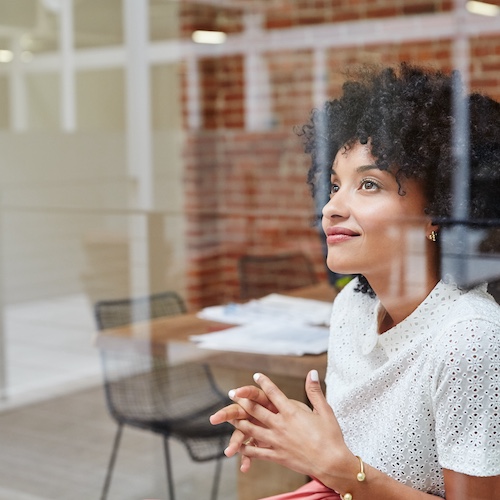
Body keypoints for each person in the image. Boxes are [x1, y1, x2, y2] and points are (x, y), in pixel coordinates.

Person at [209, 63, 500, 500]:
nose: (332, 208)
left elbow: (348, 473)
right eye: (333, 185)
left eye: (368, 184)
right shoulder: (352, 307)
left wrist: (339, 469)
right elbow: (351, 463)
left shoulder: (469, 338)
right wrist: (292, 435)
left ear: (438, 213)